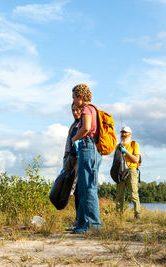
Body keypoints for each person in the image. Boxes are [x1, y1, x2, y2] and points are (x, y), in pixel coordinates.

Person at [71, 83, 102, 233]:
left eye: (74, 98)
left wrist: (74, 139)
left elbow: (86, 128)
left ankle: (93, 225)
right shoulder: (93, 109)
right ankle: (82, 224)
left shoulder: (87, 109)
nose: (74, 101)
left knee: (88, 187)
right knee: (83, 187)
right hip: (91, 149)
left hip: (88, 147)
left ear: (80, 97)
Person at [115, 126, 141, 220]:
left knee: (134, 194)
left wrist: (126, 152)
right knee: (119, 195)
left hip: (131, 171)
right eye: (122, 132)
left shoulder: (134, 144)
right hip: (120, 172)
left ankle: (137, 215)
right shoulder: (118, 146)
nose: (123, 134)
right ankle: (119, 216)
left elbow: (136, 159)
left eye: (125, 132)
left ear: (130, 134)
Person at [63, 103, 81, 227]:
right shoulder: (73, 125)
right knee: (75, 191)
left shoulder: (84, 124)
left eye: (77, 110)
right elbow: (68, 145)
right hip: (72, 160)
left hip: (80, 160)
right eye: (73, 110)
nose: (75, 112)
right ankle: (78, 219)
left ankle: (81, 220)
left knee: (81, 191)